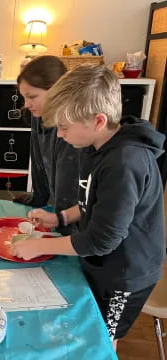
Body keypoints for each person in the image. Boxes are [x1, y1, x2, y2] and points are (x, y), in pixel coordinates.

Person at [11, 65, 165, 347]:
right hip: (102, 262)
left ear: (97, 121)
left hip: (124, 274)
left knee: (102, 338)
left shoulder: (125, 162)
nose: (59, 135)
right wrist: (60, 218)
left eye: (64, 127)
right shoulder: (96, 147)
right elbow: (92, 203)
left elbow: (103, 239)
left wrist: (39, 246)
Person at [15, 56, 80, 235]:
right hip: (59, 211)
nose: (26, 104)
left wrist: (61, 222)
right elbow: (38, 164)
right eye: (24, 98)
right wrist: (39, 199)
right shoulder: (38, 117)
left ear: (56, 90)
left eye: (32, 97)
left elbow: (70, 184)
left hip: (78, 216)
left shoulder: (75, 128)